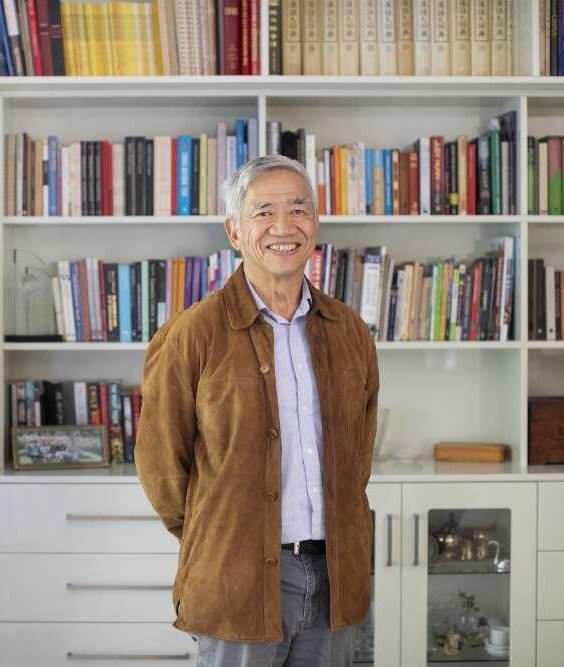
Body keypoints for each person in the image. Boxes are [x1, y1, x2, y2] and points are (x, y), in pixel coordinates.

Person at [135, 154, 380, 667]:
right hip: (237, 579)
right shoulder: (192, 334)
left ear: (315, 224)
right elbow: (161, 467)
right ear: (234, 230)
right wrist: (224, 533)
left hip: (336, 576)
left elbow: (358, 455)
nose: (283, 227)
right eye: (263, 212)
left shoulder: (349, 331)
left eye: (298, 209)